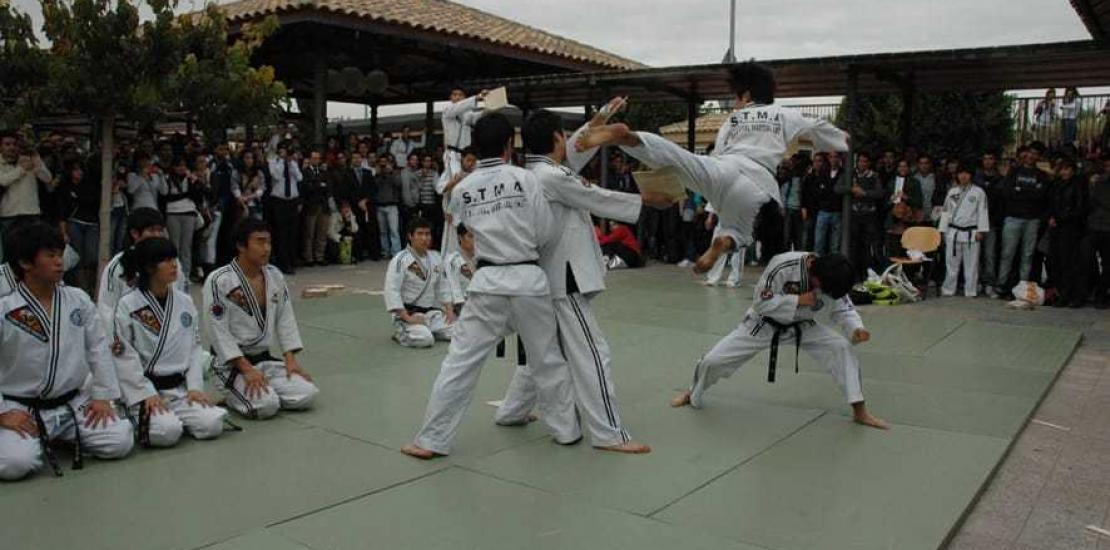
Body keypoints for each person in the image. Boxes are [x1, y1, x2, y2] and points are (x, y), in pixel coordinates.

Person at [401, 113, 581, 459]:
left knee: (461, 361)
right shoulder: (526, 179)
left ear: (476, 145)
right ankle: (566, 431)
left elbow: (461, 232)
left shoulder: (463, 188)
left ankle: (431, 440)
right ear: (508, 145)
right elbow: (545, 232)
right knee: (547, 358)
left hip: (487, 282)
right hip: (528, 279)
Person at [495, 109, 675, 453]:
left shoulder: (536, 172)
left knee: (545, 351)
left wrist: (598, 120)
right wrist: (648, 199)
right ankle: (609, 433)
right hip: (564, 280)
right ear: (555, 139)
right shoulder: (550, 177)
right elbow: (598, 198)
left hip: (547, 278)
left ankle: (511, 411)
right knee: (593, 354)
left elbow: (577, 149)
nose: (568, 141)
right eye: (563, 135)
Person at [578, 63, 849, 275]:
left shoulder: (733, 120)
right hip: (759, 182)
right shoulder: (784, 114)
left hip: (723, 168)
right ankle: (722, 243)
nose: (735, 102)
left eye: (736, 97)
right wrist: (841, 139)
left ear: (745, 94)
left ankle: (630, 138)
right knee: (744, 230)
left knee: (678, 158)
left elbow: (718, 155)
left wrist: (707, 187)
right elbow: (817, 128)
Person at [670, 251, 887, 430]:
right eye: (821, 287)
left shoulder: (832, 277)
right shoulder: (783, 265)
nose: (822, 292)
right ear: (813, 270)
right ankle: (692, 392)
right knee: (713, 361)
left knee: (841, 348)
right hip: (763, 323)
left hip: (803, 324)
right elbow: (760, 302)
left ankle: (860, 411)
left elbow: (843, 307)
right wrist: (796, 300)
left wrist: (856, 328)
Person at [0, 223, 133, 480]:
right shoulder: (6, 309)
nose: (59, 262)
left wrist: (103, 395)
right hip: (22, 407)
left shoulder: (77, 299)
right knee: (15, 463)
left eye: (60, 254)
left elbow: (97, 348)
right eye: (50, 255)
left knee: (120, 439)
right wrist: (3, 414)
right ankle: (34, 438)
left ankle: (57, 436)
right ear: (26, 263)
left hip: (72, 404)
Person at [110, 238, 227, 447]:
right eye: (165, 260)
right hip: (147, 389)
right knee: (168, 432)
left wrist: (195, 387)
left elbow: (194, 348)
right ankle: (132, 411)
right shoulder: (128, 305)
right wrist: (145, 394)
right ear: (149, 267)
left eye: (174, 258)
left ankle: (174, 415)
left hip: (179, 389)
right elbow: (124, 356)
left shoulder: (184, 301)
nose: (174, 264)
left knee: (212, 424)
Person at [202, 219, 320, 419]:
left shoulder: (275, 276)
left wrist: (290, 359)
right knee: (266, 407)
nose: (266, 248)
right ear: (241, 245)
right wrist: (245, 369)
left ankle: (258, 391)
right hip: (231, 365)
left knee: (306, 394)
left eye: (269, 242)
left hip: (264, 361)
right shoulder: (220, 280)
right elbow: (217, 330)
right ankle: (233, 395)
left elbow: (285, 317)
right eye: (259, 242)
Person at [96, 208, 185, 326]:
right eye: (152, 230)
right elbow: (106, 308)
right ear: (135, 233)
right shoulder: (118, 266)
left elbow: (180, 296)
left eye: (160, 230)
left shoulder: (174, 262)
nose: (157, 235)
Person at [385, 218, 456, 348]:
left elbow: (443, 285)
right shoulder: (400, 259)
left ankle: (430, 329)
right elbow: (392, 290)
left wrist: (449, 310)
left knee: (460, 332)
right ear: (410, 236)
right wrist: (407, 317)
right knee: (426, 340)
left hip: (430, 313)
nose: (424, 238)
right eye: (420, 234)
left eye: (427, 234)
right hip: (408, 314)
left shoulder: (435, 257)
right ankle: (400, 331)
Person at [997, 147, 1050, 297]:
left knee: (1027, 254)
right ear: (1024, 154)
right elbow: (1008, 193)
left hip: (1032, 219)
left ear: (1038, 157)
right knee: (1008, 252)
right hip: (1013, 217)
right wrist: (1030, 192)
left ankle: (1023, 286)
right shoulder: (1014, 172)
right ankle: (1002, 284)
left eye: (1035, 153)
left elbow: (1041, 196)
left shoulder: (1042, 175)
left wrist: (1020, 190)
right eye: (1029, 153)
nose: (1031, 156)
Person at [0, 131, 55, 261]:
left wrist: (37, 159)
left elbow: (47, 178)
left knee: (32, 253)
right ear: (0, 147)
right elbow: (2, 181)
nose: (11, 147)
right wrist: (21, 169)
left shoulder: (29, 160)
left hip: (31, 213)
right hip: (9, 215)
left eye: (14, 144)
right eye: (7, 144)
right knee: (10, 254)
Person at [938, 164, 990, 297]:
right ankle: (948, 289)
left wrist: (981, 230)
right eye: (961, 173)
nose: (963, 176)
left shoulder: (979, 192)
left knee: (972, 264)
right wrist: (942, 230)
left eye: (966, 173)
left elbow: (982, 212)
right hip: (953, 232)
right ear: (957, 175)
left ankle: (970, 290)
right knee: (951, 263)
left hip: (971, 232)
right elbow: (945, 211)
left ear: (971, 175)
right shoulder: (952, 191)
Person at [1048, 158, 1089, 307]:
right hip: (1057, 228)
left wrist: (1060, 218)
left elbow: (1080, 209)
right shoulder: (1057, 185)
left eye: (1067, 169)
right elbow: (1052, 203)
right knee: (1058, 261)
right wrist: (1052, 217)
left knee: (1071, 263)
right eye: (1062, 169)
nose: (1064, 172)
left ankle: (1074, 295)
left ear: (1072, 170)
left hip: (1071, 228)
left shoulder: (1078, 185)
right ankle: (1063, 294)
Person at [847, 152, 888, 281]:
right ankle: (854, 274)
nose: (862, 163)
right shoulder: (851, 174)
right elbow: (840, 188)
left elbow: (880, 193)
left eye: (865, 161)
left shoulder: (874, 176)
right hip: (854, 215)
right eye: (860, 161)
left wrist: (864, 193)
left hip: (869, 216)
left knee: (867, 246)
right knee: (854, 246)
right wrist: (852, 190)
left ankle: (866, 273)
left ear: (868, 163)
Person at [265, 138, 303, 274]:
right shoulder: (273, 162)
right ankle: (283, 262)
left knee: (292, 233)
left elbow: (299, 178)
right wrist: (281, 161)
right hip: (279, 201)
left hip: (292, 200)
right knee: (281, 233)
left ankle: (292, 259)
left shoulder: (292, 163)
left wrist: (291, 163)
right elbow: (276, 176)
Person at [162, 157, 203, 281]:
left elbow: (197, 195)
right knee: (174, 245)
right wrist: (184, 195)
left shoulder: (190, 178)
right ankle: (173, 274)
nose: (181, 168)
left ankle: (185, 276)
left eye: (184, 165)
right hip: (172, 213)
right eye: (178, 165)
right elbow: (166, 196)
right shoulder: (167, 178)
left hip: (189, 213)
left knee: (186, 247)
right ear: (173, 167)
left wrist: (195, 181)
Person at [438, 86, 486, 187]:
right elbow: (458, 107)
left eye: (460, 95)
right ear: (450, 97)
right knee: (456, 182)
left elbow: (476, 117)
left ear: (464, 97)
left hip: (467, 155)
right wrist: (477, 98)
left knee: (472, 181)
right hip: (452, 155)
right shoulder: (447, 111)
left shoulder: (467, 115)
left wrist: (490, 109)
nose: (458, 97)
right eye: (455, 95)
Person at [974, 153, 1005, 297]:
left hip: (991, 222)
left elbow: (1001, 201)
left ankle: (989, 283)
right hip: (975, 222)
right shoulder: (975, 178)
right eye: (985, 158)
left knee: (990, 254)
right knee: (975, 254)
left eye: (991, 158)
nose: (988, 161)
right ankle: (977, 281)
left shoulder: (1000, 179)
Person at [1086, 153, 1110, 309]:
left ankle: (1101, 293)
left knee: (1108, 264)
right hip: (1095, 226)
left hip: (1106, 227)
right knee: (1087, 259)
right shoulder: (1098, 182)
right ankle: (1096, 289)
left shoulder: (1098, 182)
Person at [300, 150, 331, 267]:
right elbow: (307, 187)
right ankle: (309, 257)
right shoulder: (305, 172)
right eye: (314, 158)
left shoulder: (324, 172)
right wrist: (319, 185)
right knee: (309, 233)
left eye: (318, 158)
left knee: (321, 232)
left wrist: (318, 185)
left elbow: (328, 187)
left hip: (323, 205)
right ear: (310, 159)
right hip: (311, 205)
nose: (316, 160)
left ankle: (320, 256)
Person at [374, 155, 404, 258]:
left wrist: (390, 173)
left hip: (392, 205)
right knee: (383, 231)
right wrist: (378, 175)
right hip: (380, 205)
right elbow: (374, 186)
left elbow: (398, 184)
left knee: (394, 230)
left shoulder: (395, 173)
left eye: (385, 163)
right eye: (381, 163)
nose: (383, 165)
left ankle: (396, 252)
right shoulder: (377, 174)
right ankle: (385, 251)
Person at [443, 224, 476, 312]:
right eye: (470, 236)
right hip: (462, 310)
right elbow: (455, 293)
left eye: (477, 236)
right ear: (460, 238)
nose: (474, 241)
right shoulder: (453, 260)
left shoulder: (481, 259)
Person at [326, 200, 360, 265]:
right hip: (336, 237)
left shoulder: (351, 215)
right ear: (340, 209)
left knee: (356, 236)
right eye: (344, 208)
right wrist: (342, 238)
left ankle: (352, 256)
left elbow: (355, 229)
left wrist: (349, 220)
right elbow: (330, 232)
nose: (346, 209)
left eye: (348, 207)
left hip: (346, 235)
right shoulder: (334, 216)